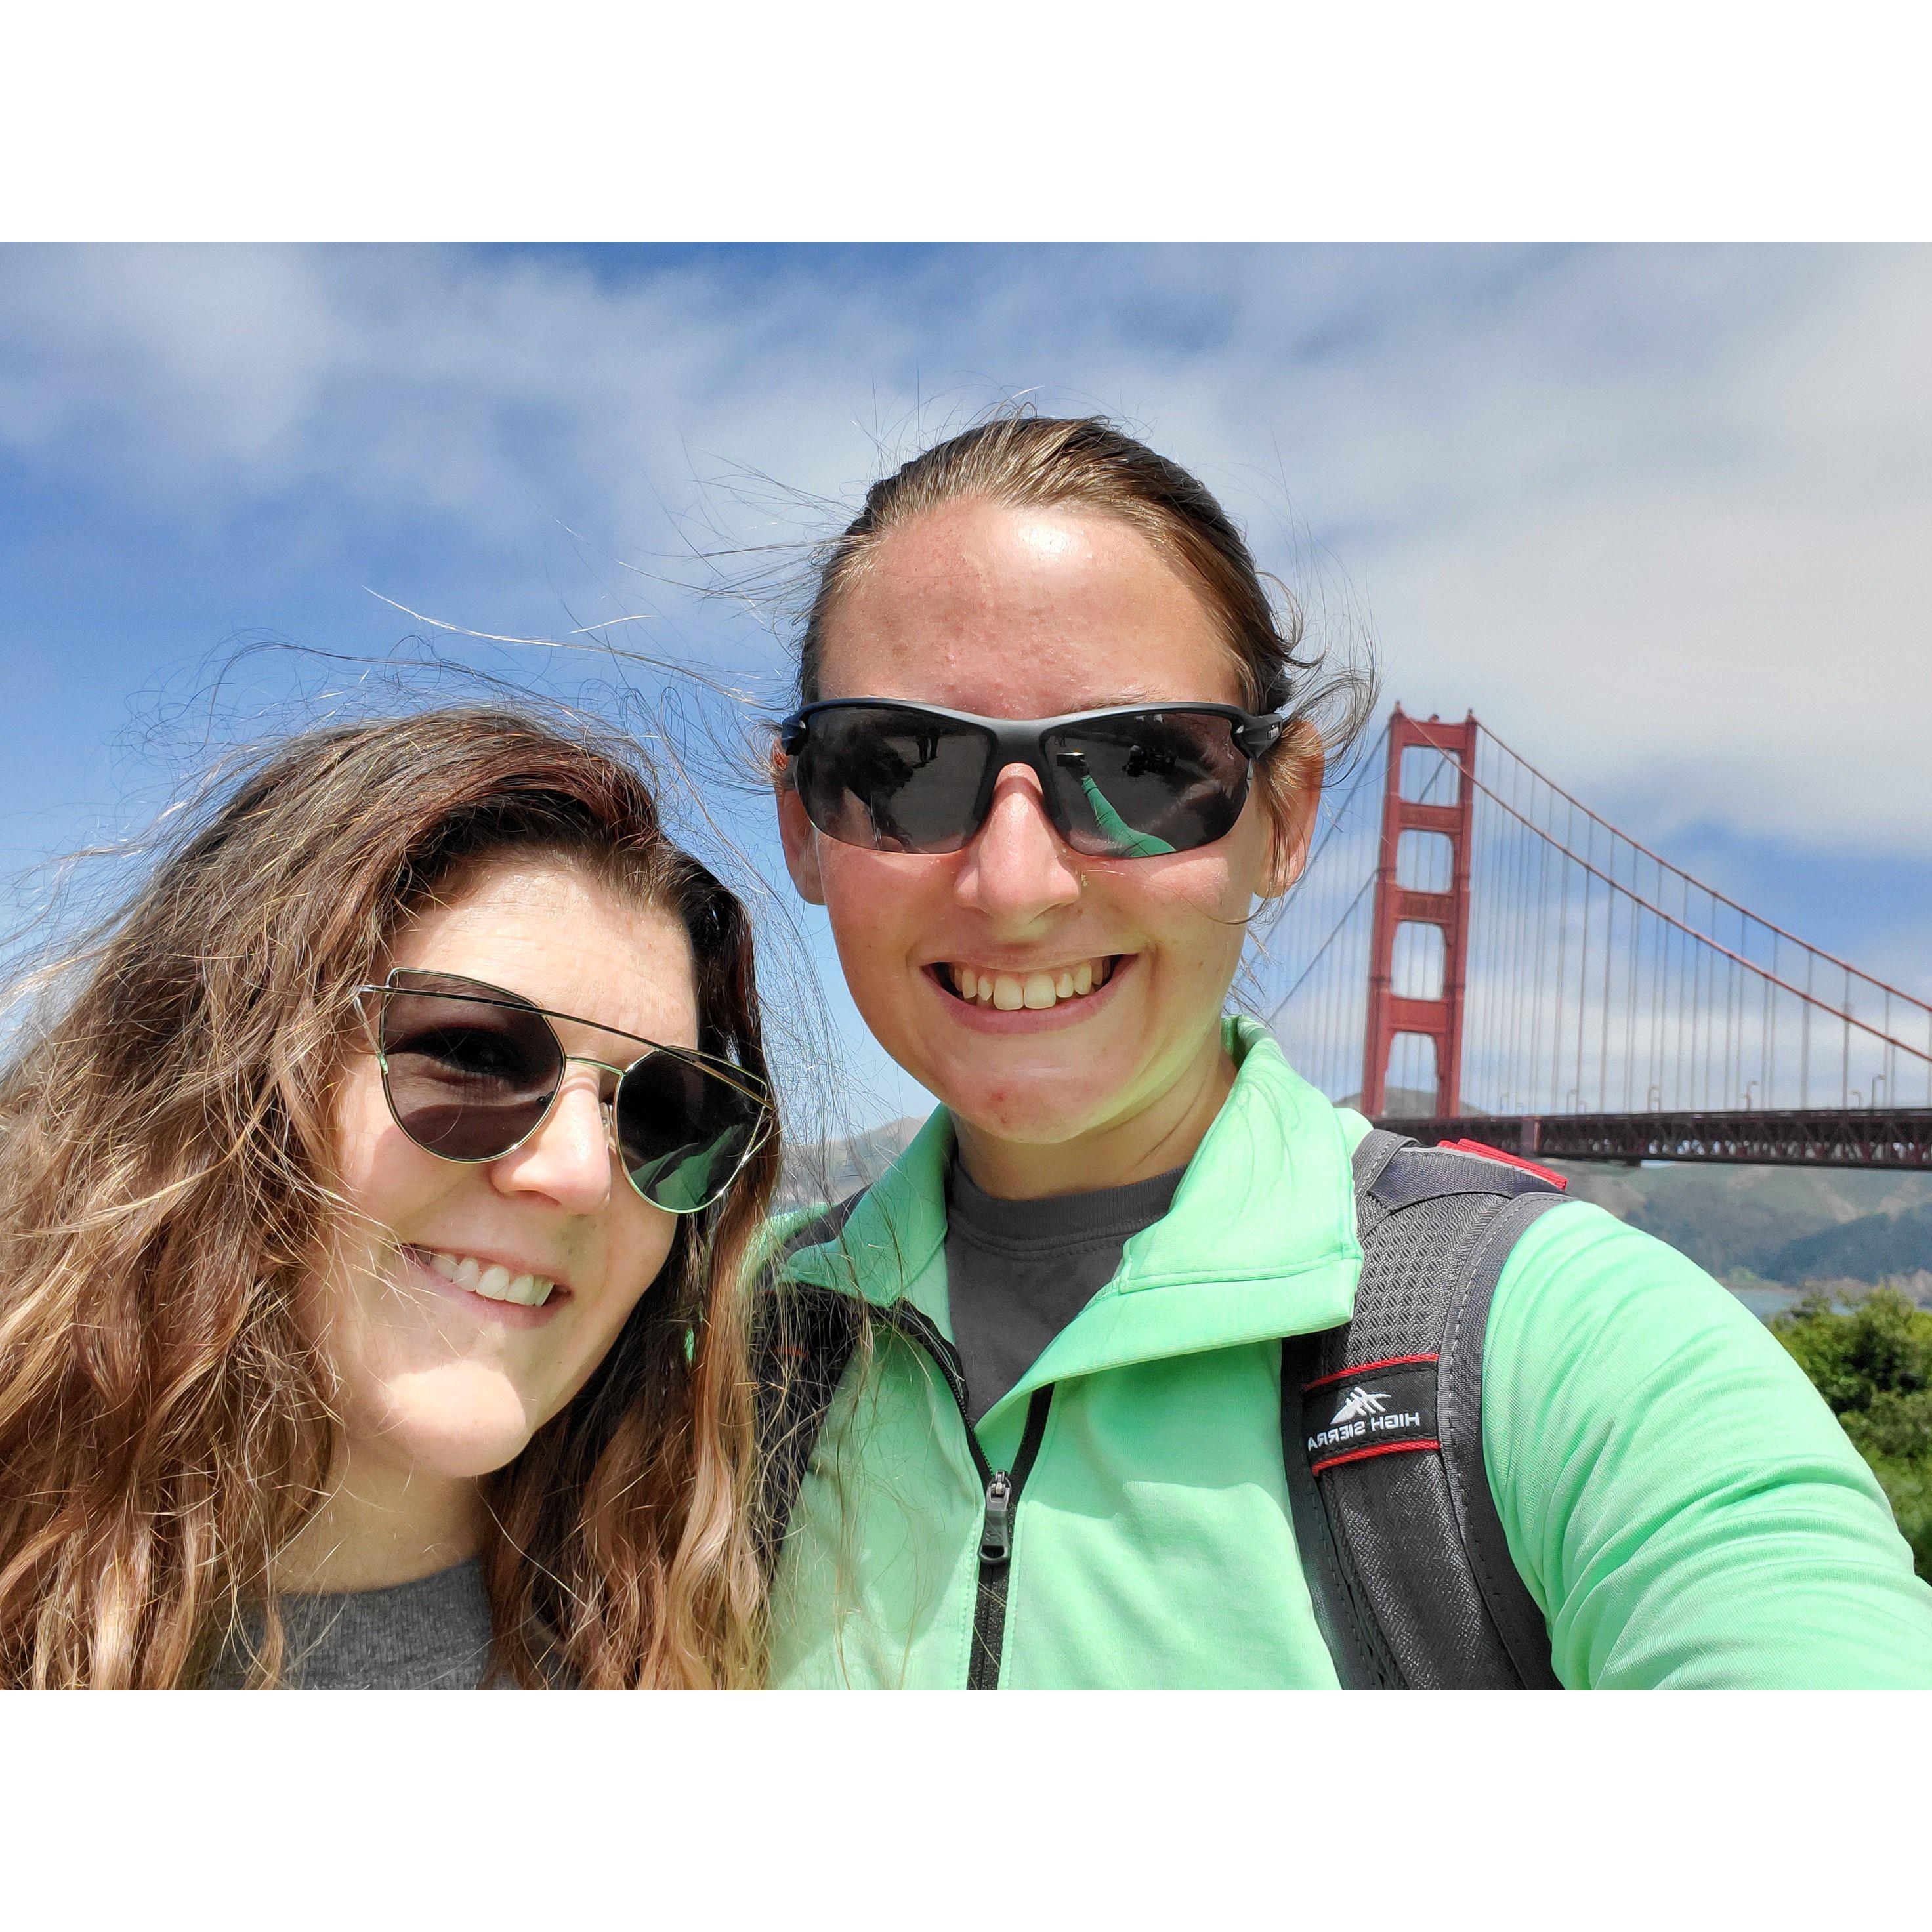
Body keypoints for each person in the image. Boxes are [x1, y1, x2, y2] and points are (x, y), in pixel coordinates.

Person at [761, 412, 1932, 1689]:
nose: (1015, 883)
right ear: (800, 824)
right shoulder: (719, 1351)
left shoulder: (1550, 1340)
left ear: (1283, 815)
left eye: (1140, 770)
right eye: (903, 768)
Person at [0, 706, 778, 1689]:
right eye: (470, 1054)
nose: (581, 1173)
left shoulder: (712, 1648)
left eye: (665, 1114)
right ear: (223, 1080)